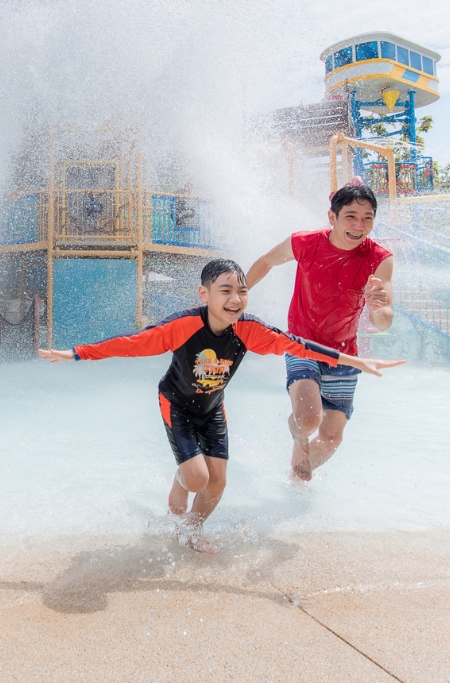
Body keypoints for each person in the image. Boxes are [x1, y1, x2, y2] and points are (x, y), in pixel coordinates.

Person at [39, 258, 402, 553]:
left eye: (242, 292)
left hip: (212, 408)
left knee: (217, 483)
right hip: (177, 405)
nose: (235, 299)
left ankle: (193, 529)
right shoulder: (183, 326)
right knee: (198, 478)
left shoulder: (249, 330)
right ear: (205, 293)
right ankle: (181, 479)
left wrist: (356, 361)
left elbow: (299, 345)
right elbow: (132, 343)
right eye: (225, 291)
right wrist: (76, 354)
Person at [246, 181, 394, 482]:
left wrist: (378, 307)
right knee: (308, 419)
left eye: (367, 218)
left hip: (344, 355)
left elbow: (384, 321)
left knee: (331, 439)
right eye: (351, 216)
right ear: (332, 217)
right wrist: (238, 294)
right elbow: (266, 261)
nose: (359, 225)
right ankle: (298, 438)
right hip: (302, 345)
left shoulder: (380, 258)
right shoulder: (305, 243)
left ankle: (292, 481)